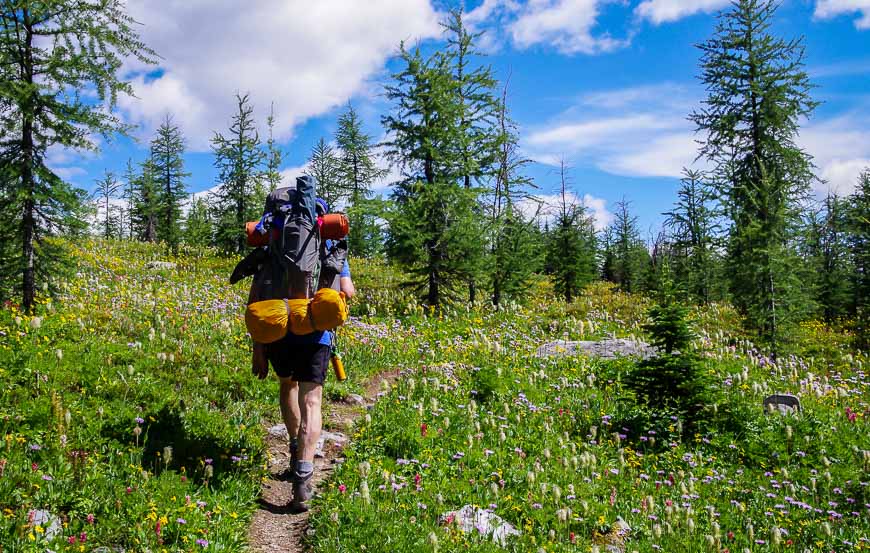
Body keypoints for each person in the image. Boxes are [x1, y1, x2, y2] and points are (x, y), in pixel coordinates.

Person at [249, 198, 354, 511]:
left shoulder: (273, 242)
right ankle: (303, 478)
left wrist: (258, 348)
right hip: (316, 332)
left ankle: (295, 448)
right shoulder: (326, 242)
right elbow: (347, 292)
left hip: (279, 329)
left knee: (287, 387)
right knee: (312, 401)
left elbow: (256, 295)